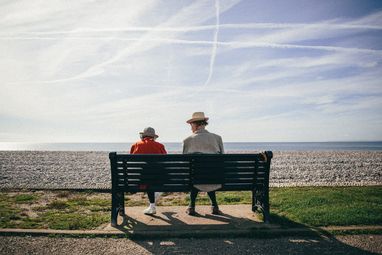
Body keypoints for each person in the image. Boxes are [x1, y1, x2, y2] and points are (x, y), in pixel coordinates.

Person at [183, 112, 224, 216]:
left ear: (196, 124)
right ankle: (214, 206)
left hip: (195, 178)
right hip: (215, 178)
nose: (190, 127)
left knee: (195, 173)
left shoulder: (188, 140)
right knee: (209, 171)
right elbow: (222, 158)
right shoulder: (217, 138)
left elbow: (185, 162)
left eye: (191, 124)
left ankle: (191, 206)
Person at [130, 127, 167, 215]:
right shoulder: (160, 146)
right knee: (153, 173)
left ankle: (152, 206)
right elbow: (165, 161)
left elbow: (132, 162)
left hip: (141, 180)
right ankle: (153, 203)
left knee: (145, 173)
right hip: (158, 179)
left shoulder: (135, 145)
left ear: (143, 136)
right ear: (153, 137)